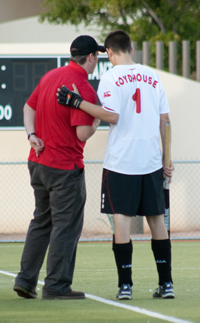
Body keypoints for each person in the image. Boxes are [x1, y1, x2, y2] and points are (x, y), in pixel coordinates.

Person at [57, 30, 175, 300]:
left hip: (122, 162)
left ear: (108, 53)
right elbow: (165, 120)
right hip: (151, 160)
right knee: (157, 221)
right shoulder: (153, 76)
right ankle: (166, 284)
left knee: (121, 223)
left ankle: (126, 286)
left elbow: (112, 115)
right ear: (131, 49)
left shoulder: (110, 77)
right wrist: (167, 158)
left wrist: (78, 102)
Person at [14, 35, 116, 300]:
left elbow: (28, 107)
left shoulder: (51, 76)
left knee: (41, 222)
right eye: (97, 56)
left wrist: (31, 134)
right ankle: (56, 286)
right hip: (64, 167)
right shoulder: (83, 87)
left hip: (38, 161)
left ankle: (25, 280)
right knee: (65, 226)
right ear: (91, 57)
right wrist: (96, 119)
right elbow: (82, 133)